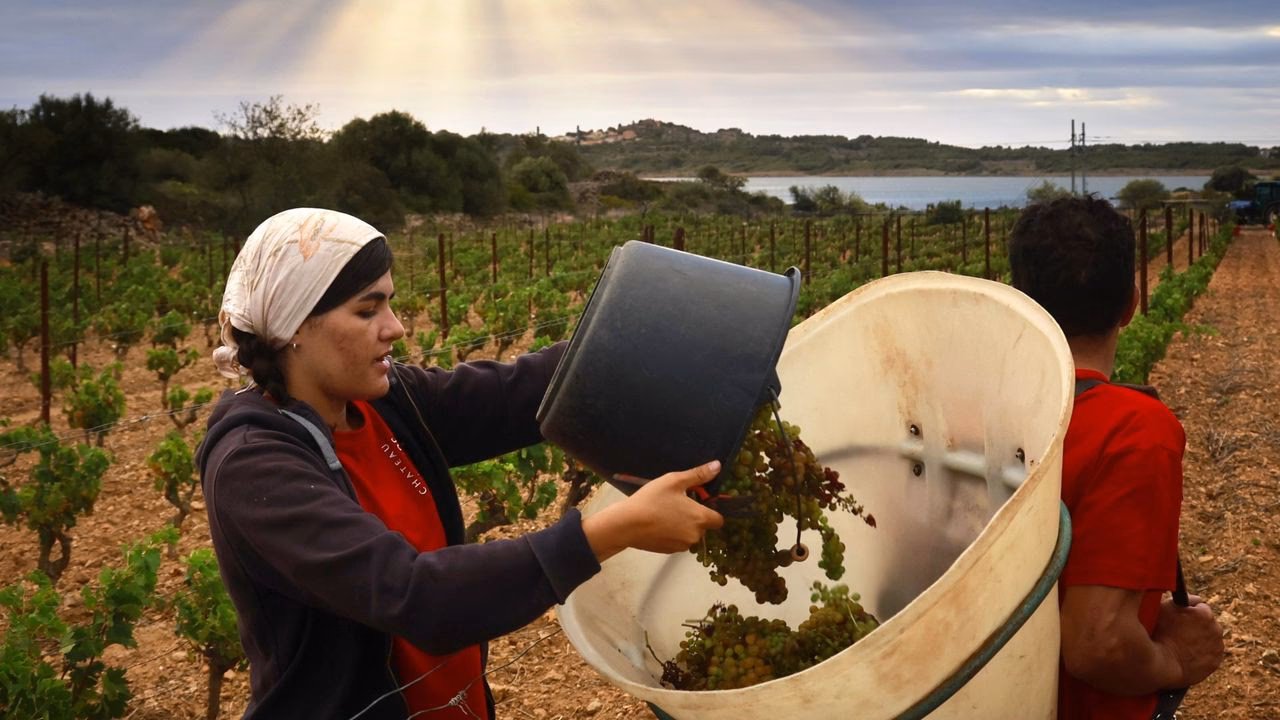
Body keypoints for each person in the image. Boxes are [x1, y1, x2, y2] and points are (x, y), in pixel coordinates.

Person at [196, 208, 724, 720]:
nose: (395, 327)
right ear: (294, 327)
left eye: (390, 304)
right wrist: (613, 530)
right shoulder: (253, 465)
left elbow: (514, 394)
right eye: (367, 310)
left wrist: (648, 337)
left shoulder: (386, 403)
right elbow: (416, 597)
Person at [1008, 196, 1224, 719]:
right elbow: (1098, 643)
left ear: (1018, 299)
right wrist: (1175, 657)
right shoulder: (1134, 430)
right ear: (1132, 302)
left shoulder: (971, 410)